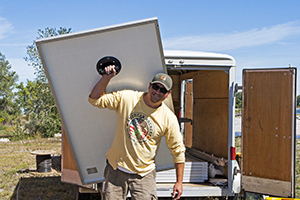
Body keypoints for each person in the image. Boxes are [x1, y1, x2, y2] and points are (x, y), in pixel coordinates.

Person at [88, 65, 185, 200]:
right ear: (149, 86)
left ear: (168, 94)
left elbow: (178, 151)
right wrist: (106, 77)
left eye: (163, 90)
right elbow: (95, 100)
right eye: (156, 87)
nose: (157, 92)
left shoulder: (168, 118)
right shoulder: (128, 98)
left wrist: (179, 182)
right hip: (116, 168)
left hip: (144, 174)